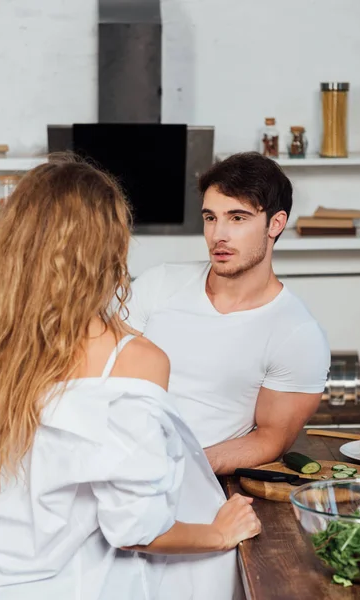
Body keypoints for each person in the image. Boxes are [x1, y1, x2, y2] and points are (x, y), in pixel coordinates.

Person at [0, 156, 260, 600]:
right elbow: (134, 529)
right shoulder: (132, 359)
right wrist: (217, 533)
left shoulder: (6, 342)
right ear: (110, 246)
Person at [127, 152, 331, 475]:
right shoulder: (159, 283)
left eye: (237, 218)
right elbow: (102, 377)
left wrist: (180, 470)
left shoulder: (298, 334)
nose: (218, 234)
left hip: (202, 488)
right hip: (116, 470)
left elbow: (271, 438)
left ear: (275, 224)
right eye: (211, 218)